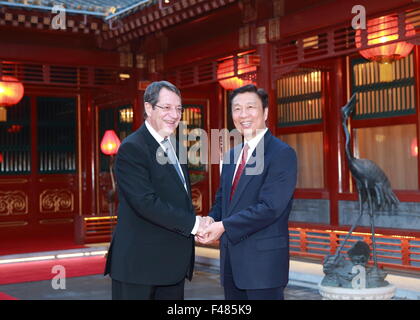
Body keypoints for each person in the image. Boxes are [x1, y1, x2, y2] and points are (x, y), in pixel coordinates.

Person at [104, 80, 207, 300]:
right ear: (149, 108)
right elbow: (145, 203)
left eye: (179, 109)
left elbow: (178, 198)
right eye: (167, 107)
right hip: (139, 266)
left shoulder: (177, 147)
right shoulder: (133, 148)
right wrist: (195, 224)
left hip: (172, 265)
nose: (175, 114)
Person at [197, 84, 297, 300]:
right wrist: (208, 220)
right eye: (237, 109)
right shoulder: (232, 156)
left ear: (266, 112)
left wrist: (222, 226)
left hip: (264, 266)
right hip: (231, 263)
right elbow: (223, 202)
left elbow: (270, 208)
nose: (243, 115)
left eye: (250, 107)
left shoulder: (282, 154)